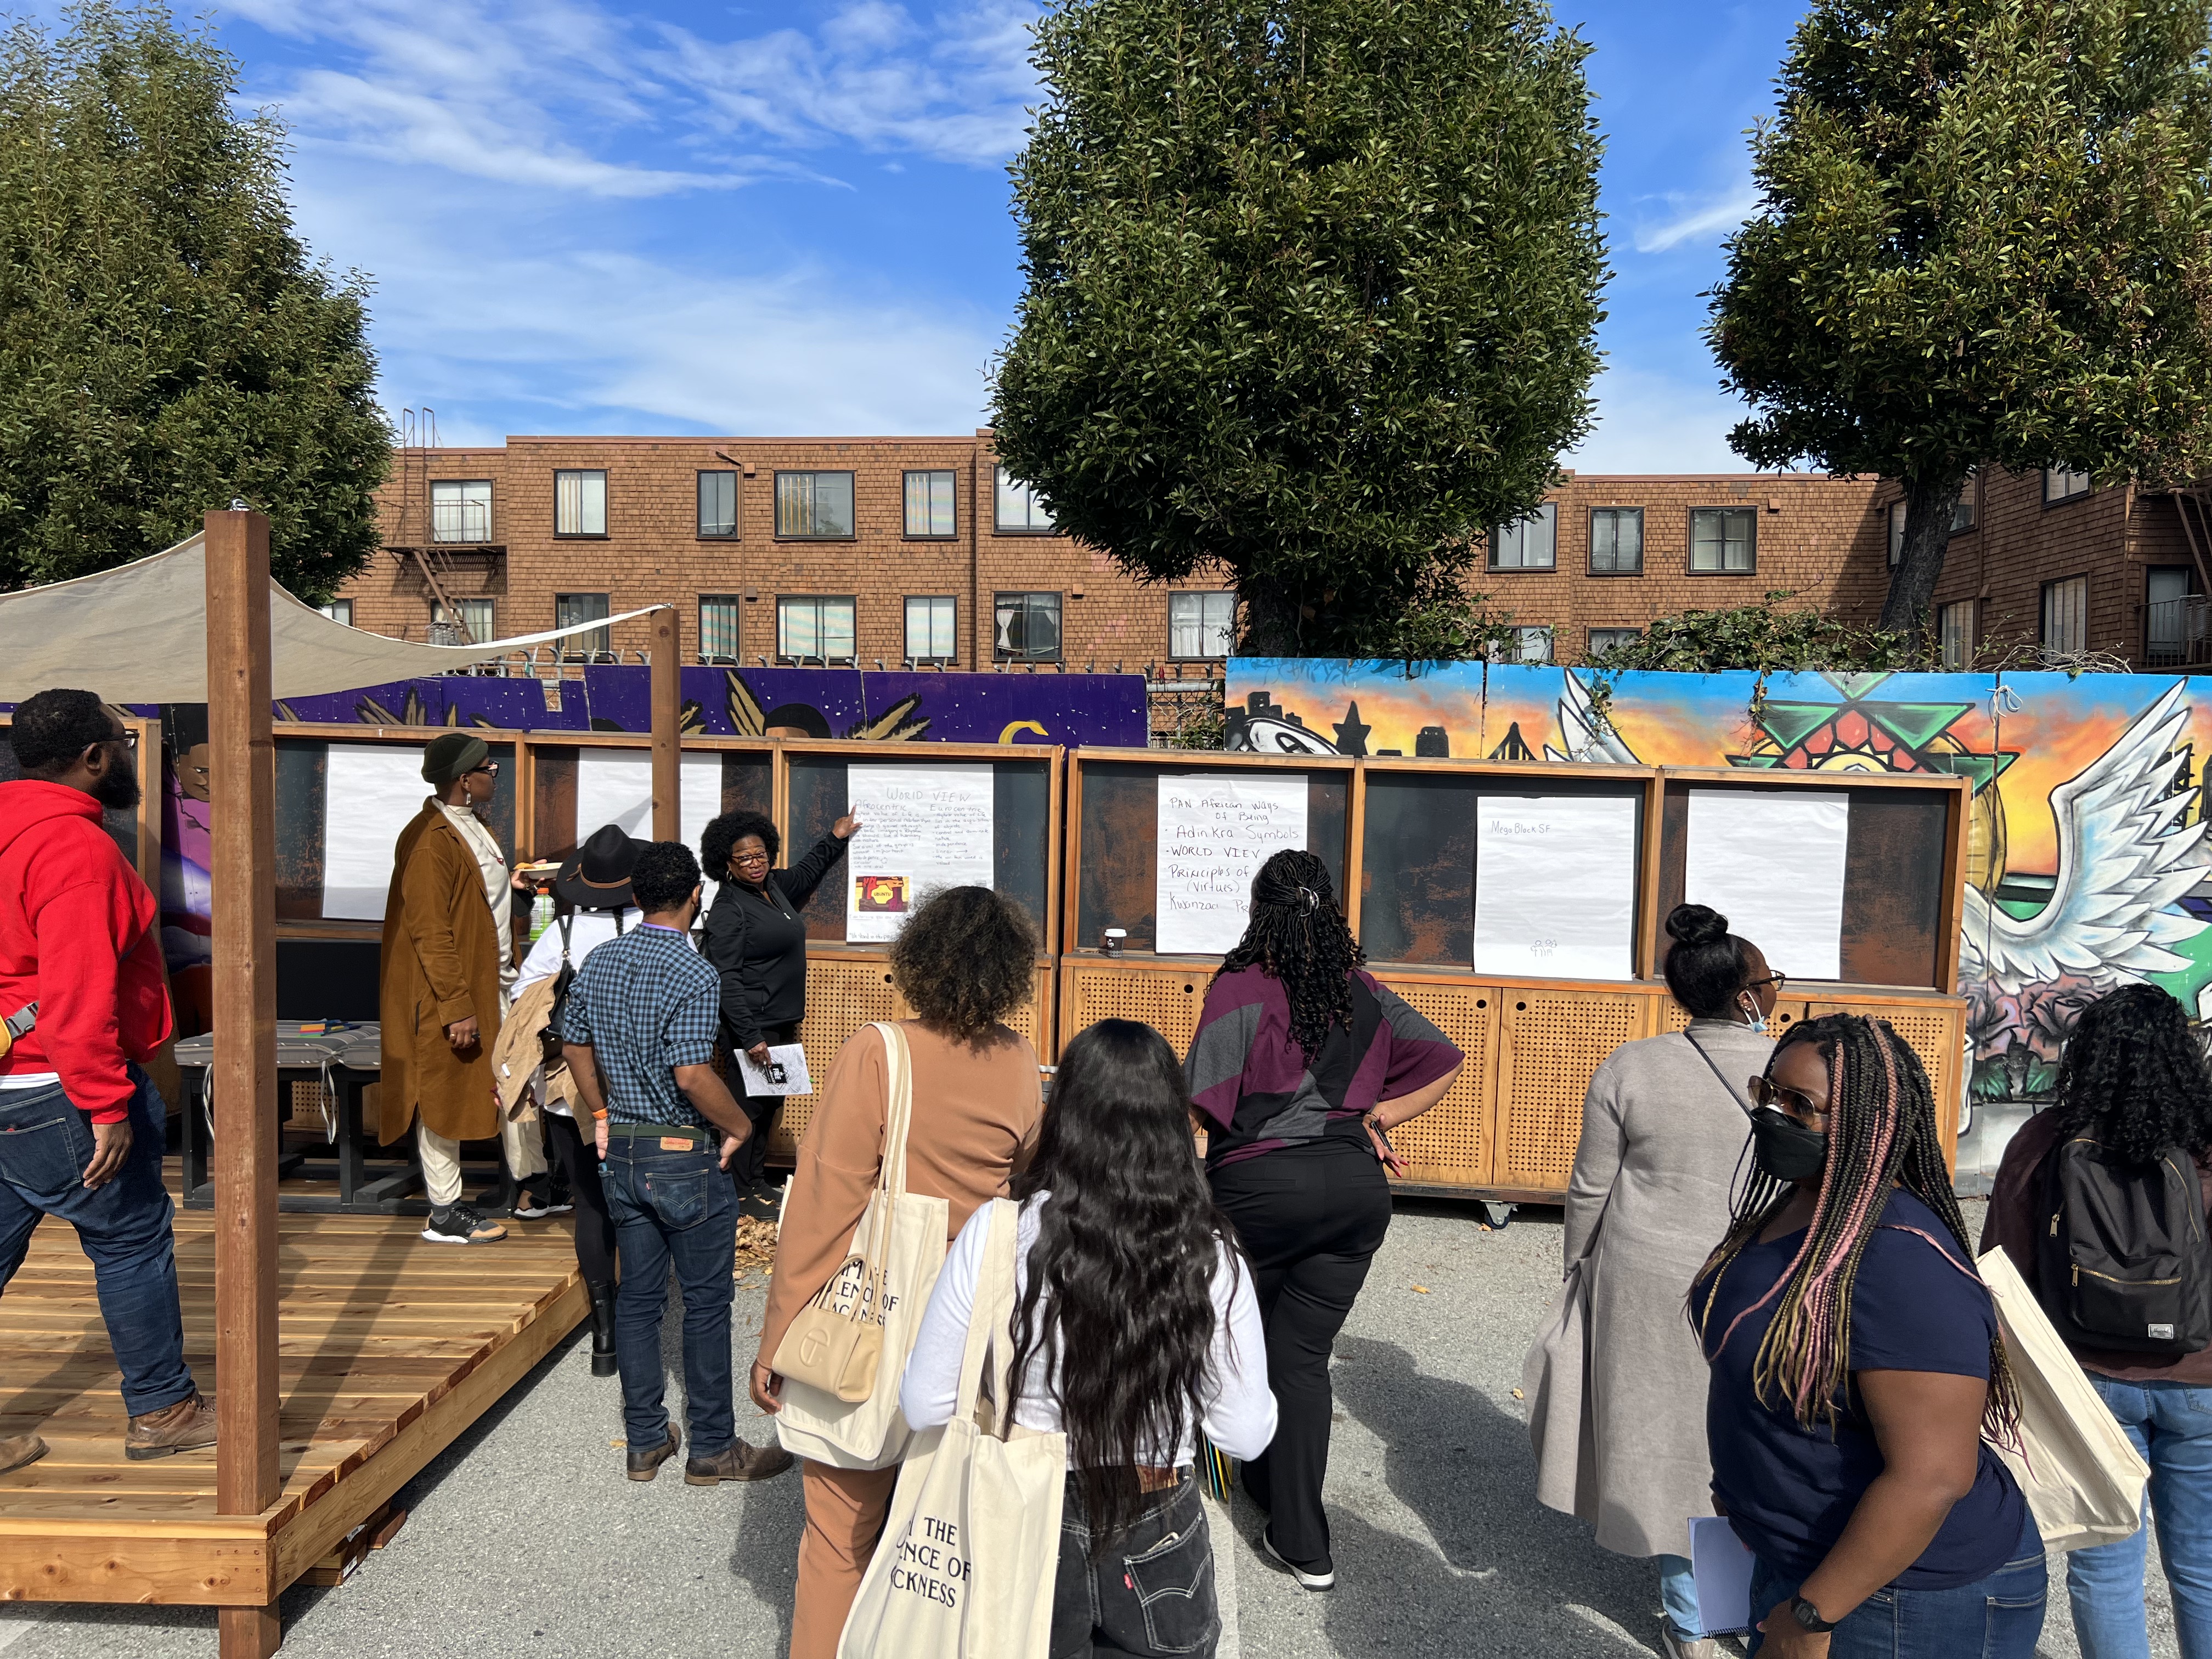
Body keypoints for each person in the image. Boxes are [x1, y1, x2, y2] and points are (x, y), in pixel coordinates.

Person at [899, 1019, 1277, 1658]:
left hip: (1020, 1513)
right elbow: (1244, 1433)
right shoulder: (1209, 1253)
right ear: (1172, 1122)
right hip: (1159, 1514)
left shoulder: (998, 1232)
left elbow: (925, 1403)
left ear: (1063, 1112)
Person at [752, 884, 1046, 1659]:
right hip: (974, 1331)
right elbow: (1023, 1187)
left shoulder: (878, 1051)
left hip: (872, 1320)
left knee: (836, 1539)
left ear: (918, 960)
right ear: (1009, 972)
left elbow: (824, 1206)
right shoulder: (1019, 1064)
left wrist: (776, 1337)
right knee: (941, 1539)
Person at [1692, 1013, 2042, 1658]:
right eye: (1767, 1093)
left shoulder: (1899, 1258)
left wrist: (1811, 1616)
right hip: (1795, 1556)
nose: (1773, 1114)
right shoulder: (1802, 1203)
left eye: (1801, 1105)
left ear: (1866, 1122)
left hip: (1900, 1594)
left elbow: (1932, 1476)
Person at [1183, 848, 1463, 1592]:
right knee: (1301, 1357)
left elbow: (1203, 1100)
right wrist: (1378, 1115)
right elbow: (1442, 1057)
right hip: (1354, 1187)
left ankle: (1248, 1480)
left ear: (1259, 909)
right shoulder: (1362, 988)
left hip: (1260, 1186)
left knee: (1244, 1339)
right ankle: (1304, 1540)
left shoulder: (1239, 987)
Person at [1542, 902, 1781, 1659]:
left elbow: (1590, 1189)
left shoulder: (1631, 1066)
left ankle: (1695, 1623)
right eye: (1772, 981)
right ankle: (1754, 1605)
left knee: (1678, 1441)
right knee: (1762, 1437)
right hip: (1767, 1274)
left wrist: (1579, 1268)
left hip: (1648, 1276)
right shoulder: (1795, 1071)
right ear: (1749, 995)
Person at [0, 689, 215, 1470]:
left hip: (6, 1085)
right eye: (120, 746)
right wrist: (105, 1103)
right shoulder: (76, 851)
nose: (127, 758)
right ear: (94, 757)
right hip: (58, 1089)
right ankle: (165, 1409)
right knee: (129, 1241)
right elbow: (77, 991)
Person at [1982, 982, 2212, 1659]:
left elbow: (2001, 1268)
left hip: (2087, 1379)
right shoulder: (2205, 1142)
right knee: (2201, 1564)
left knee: (2105, 1564)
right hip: (2202, 1381)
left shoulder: (2046, 1139)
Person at [560, 839, 793, 1486]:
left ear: (635, 898)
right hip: (684, 1152)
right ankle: (714, 1447)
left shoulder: (601, 960)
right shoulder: (696, 973)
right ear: (697, 896)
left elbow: (573, 1042)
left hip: (625, 1150)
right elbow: (691, 1073)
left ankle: (644, 1441)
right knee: (706, 1304)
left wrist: (602, 1113)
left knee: (638, 1302)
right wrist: (741, 1124)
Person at [376, 731, 541, 1244]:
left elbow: (471, 904)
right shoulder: (431, 840)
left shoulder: (470, 827)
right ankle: (444, 1210)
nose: (496, 775)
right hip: (451, 993)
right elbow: (430, 932)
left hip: (493, 983)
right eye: (489, 768)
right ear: (463, 780)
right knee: (442, 1092)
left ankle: (530, 1186)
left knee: (513, 1081)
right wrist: (456, 1007)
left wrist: (510, 889)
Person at [498, 823, 643, 1379]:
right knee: (635, 1200)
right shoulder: (652, 928)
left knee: (588, 1203)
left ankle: (603, 1332)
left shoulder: (559, 932)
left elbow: (524, 1000)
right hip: (634, 1087)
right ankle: (638, 1316)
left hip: (567, 1087)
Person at [699, 806, 859, 1216]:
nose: (756, 863)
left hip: (781, 1022)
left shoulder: (774, 886)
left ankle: (754, 1181)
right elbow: (727, 978)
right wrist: (750, 1036)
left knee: (770, 1103)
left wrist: (836, 838)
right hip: (754, 1026)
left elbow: (807, 872)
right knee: (746, 1108)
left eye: (761, 854)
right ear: (726, 864)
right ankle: (736, 1191)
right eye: (745, 858)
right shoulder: (729, 908)